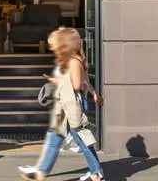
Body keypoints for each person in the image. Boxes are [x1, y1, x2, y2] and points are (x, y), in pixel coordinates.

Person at [19, 27, 104, 181]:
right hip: (64, 105)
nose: (53, 48)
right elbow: (83, 82)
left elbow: (77, 85)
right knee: (54, 137)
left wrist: (59, 81)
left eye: (55, 45)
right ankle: (41, 172)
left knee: (82, 141)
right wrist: (94, 93)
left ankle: (97, 173)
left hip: (72, 107)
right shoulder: (71, 60)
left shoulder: (74, 61)